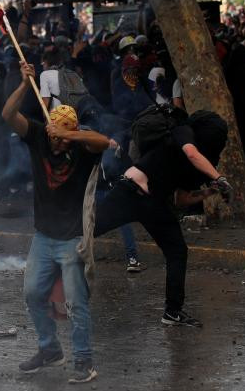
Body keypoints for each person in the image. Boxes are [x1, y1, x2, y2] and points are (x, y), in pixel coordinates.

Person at [2, 62, 110, 384]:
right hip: (43, 237)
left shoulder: (81, 148)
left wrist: (71, 135)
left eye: (65, 139)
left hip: (71, 239)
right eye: (57, 137)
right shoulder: (38, 136)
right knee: (33, 294)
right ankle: (50, 350)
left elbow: (103, 141)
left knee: (77, 304)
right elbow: (8, 115)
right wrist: (24, 84)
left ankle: (84, 361)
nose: (60, 145)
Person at [94, 109, 231, 328]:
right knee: (86, 230)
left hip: (152, 203)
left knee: (177, 251)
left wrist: (211, 190)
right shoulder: (183, 131)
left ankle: (173, 312)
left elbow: (181, 199)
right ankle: (49, 259)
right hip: (131, 191)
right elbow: (192, 153)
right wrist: (219, 177)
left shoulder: (200, 164)